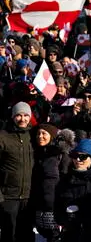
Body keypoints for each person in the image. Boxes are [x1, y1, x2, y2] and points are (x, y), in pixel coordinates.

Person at [0, 102, 35, 242]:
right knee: (9, 234)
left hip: (28, 197)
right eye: (19, 115)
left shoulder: (34, 135)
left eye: (26, 115)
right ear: (13, 116)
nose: (22, 119)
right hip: (8, 197)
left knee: (26, 233)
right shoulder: (3, 136)